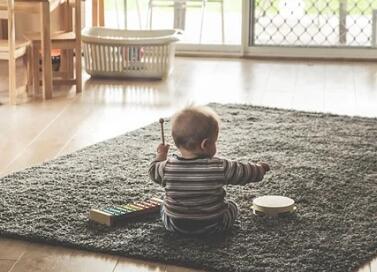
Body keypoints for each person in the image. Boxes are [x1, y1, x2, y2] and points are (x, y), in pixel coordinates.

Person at [149, 105, 270, 235]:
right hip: (213, 225)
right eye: (215, 142)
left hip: (175, 224)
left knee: (163, 205)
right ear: (205, 145)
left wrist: (161, 155)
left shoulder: (166, 167)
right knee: (233, 206)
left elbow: (153, 171)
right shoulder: (219, 167)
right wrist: (260, 169)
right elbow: (244, 172)